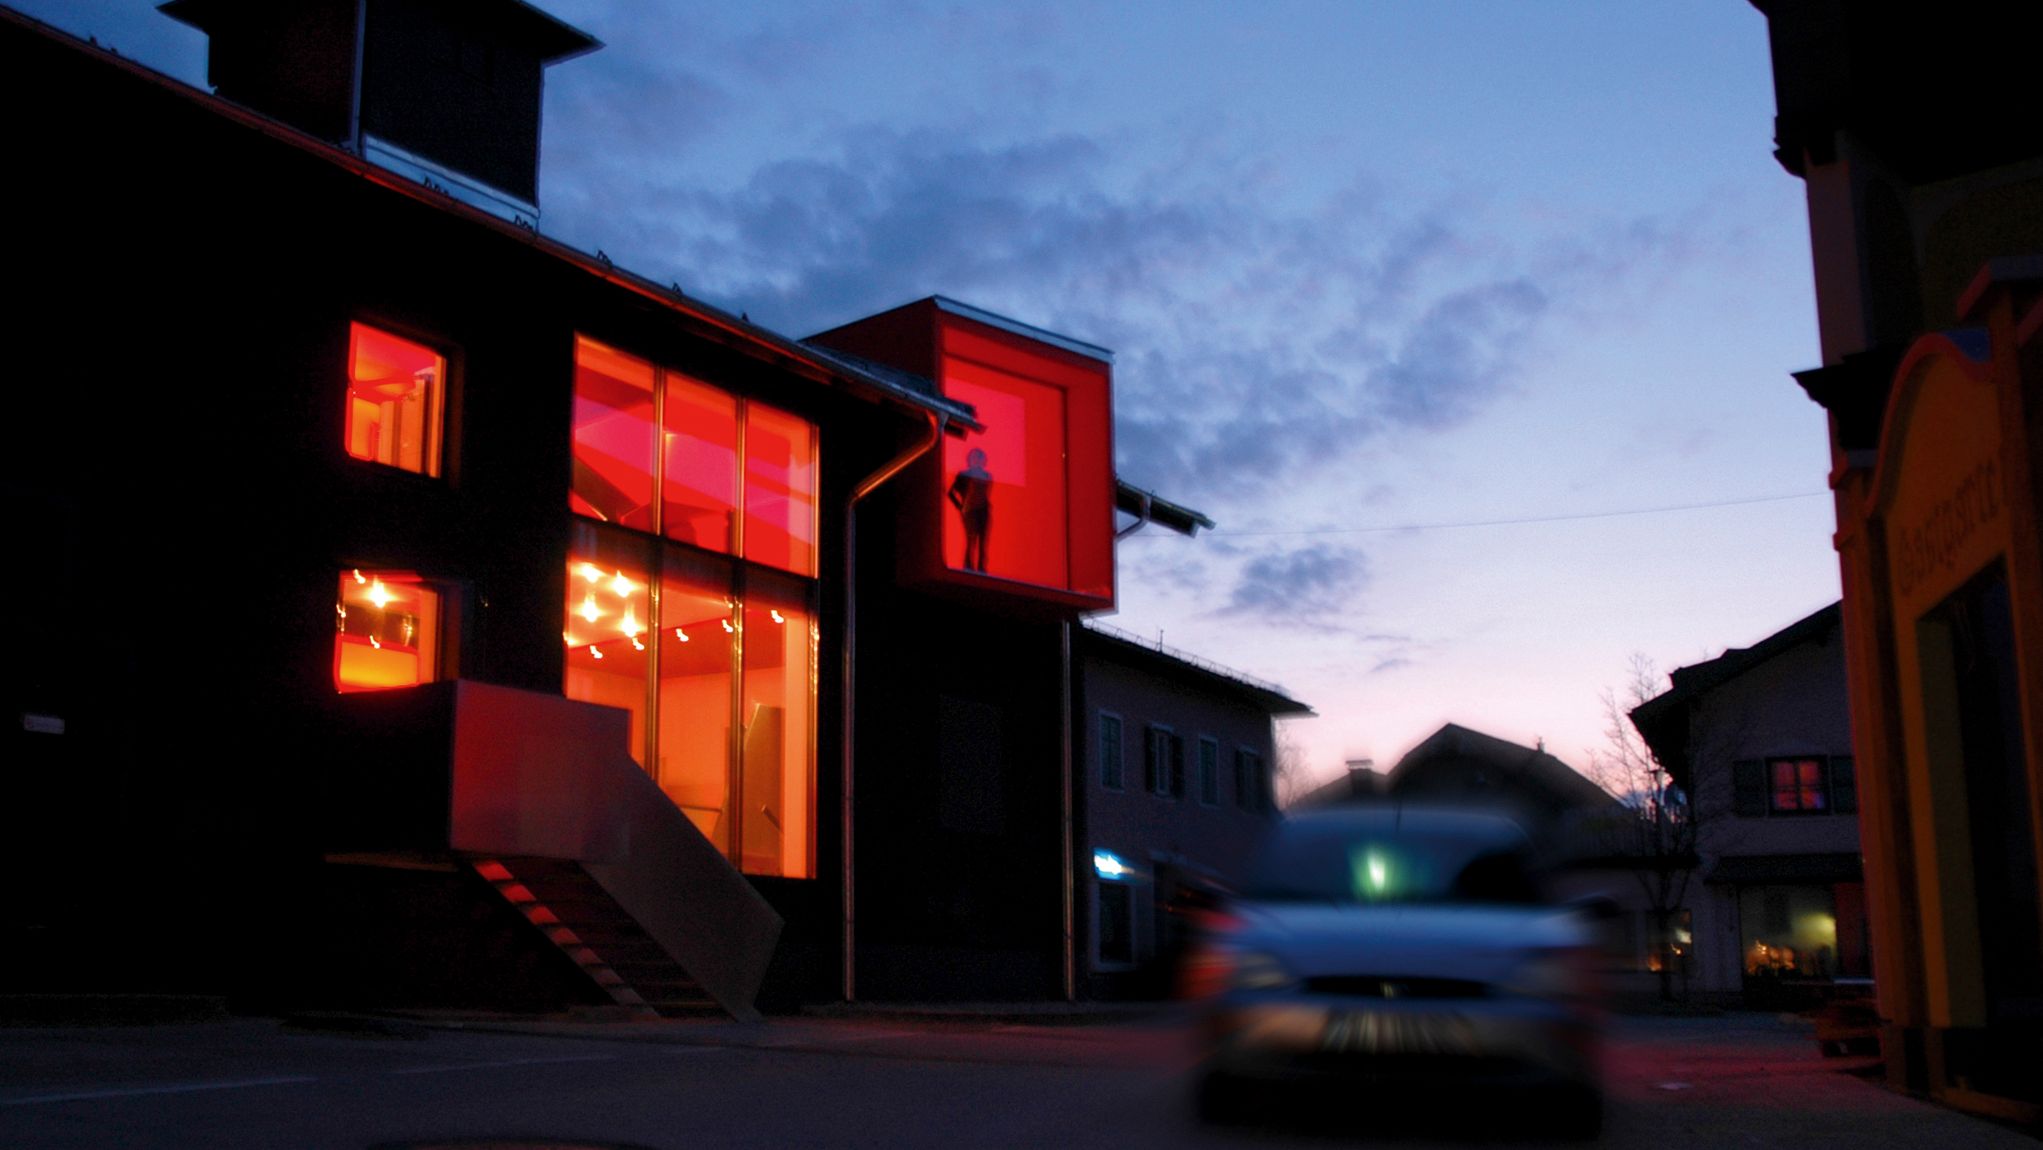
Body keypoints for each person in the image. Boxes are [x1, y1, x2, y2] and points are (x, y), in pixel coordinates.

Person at [947, 447, 992, 572]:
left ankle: (981, 569)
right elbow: (951, 493)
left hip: (983, 511)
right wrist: (960, 507)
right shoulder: (964, 475)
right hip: (970, 511)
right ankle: (968, 568)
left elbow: (984, 494)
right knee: (971, 540)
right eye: (974, 457)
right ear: (970, 459)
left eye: (979, 458)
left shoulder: (987, 475)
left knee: (983, 542)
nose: (977, 460)